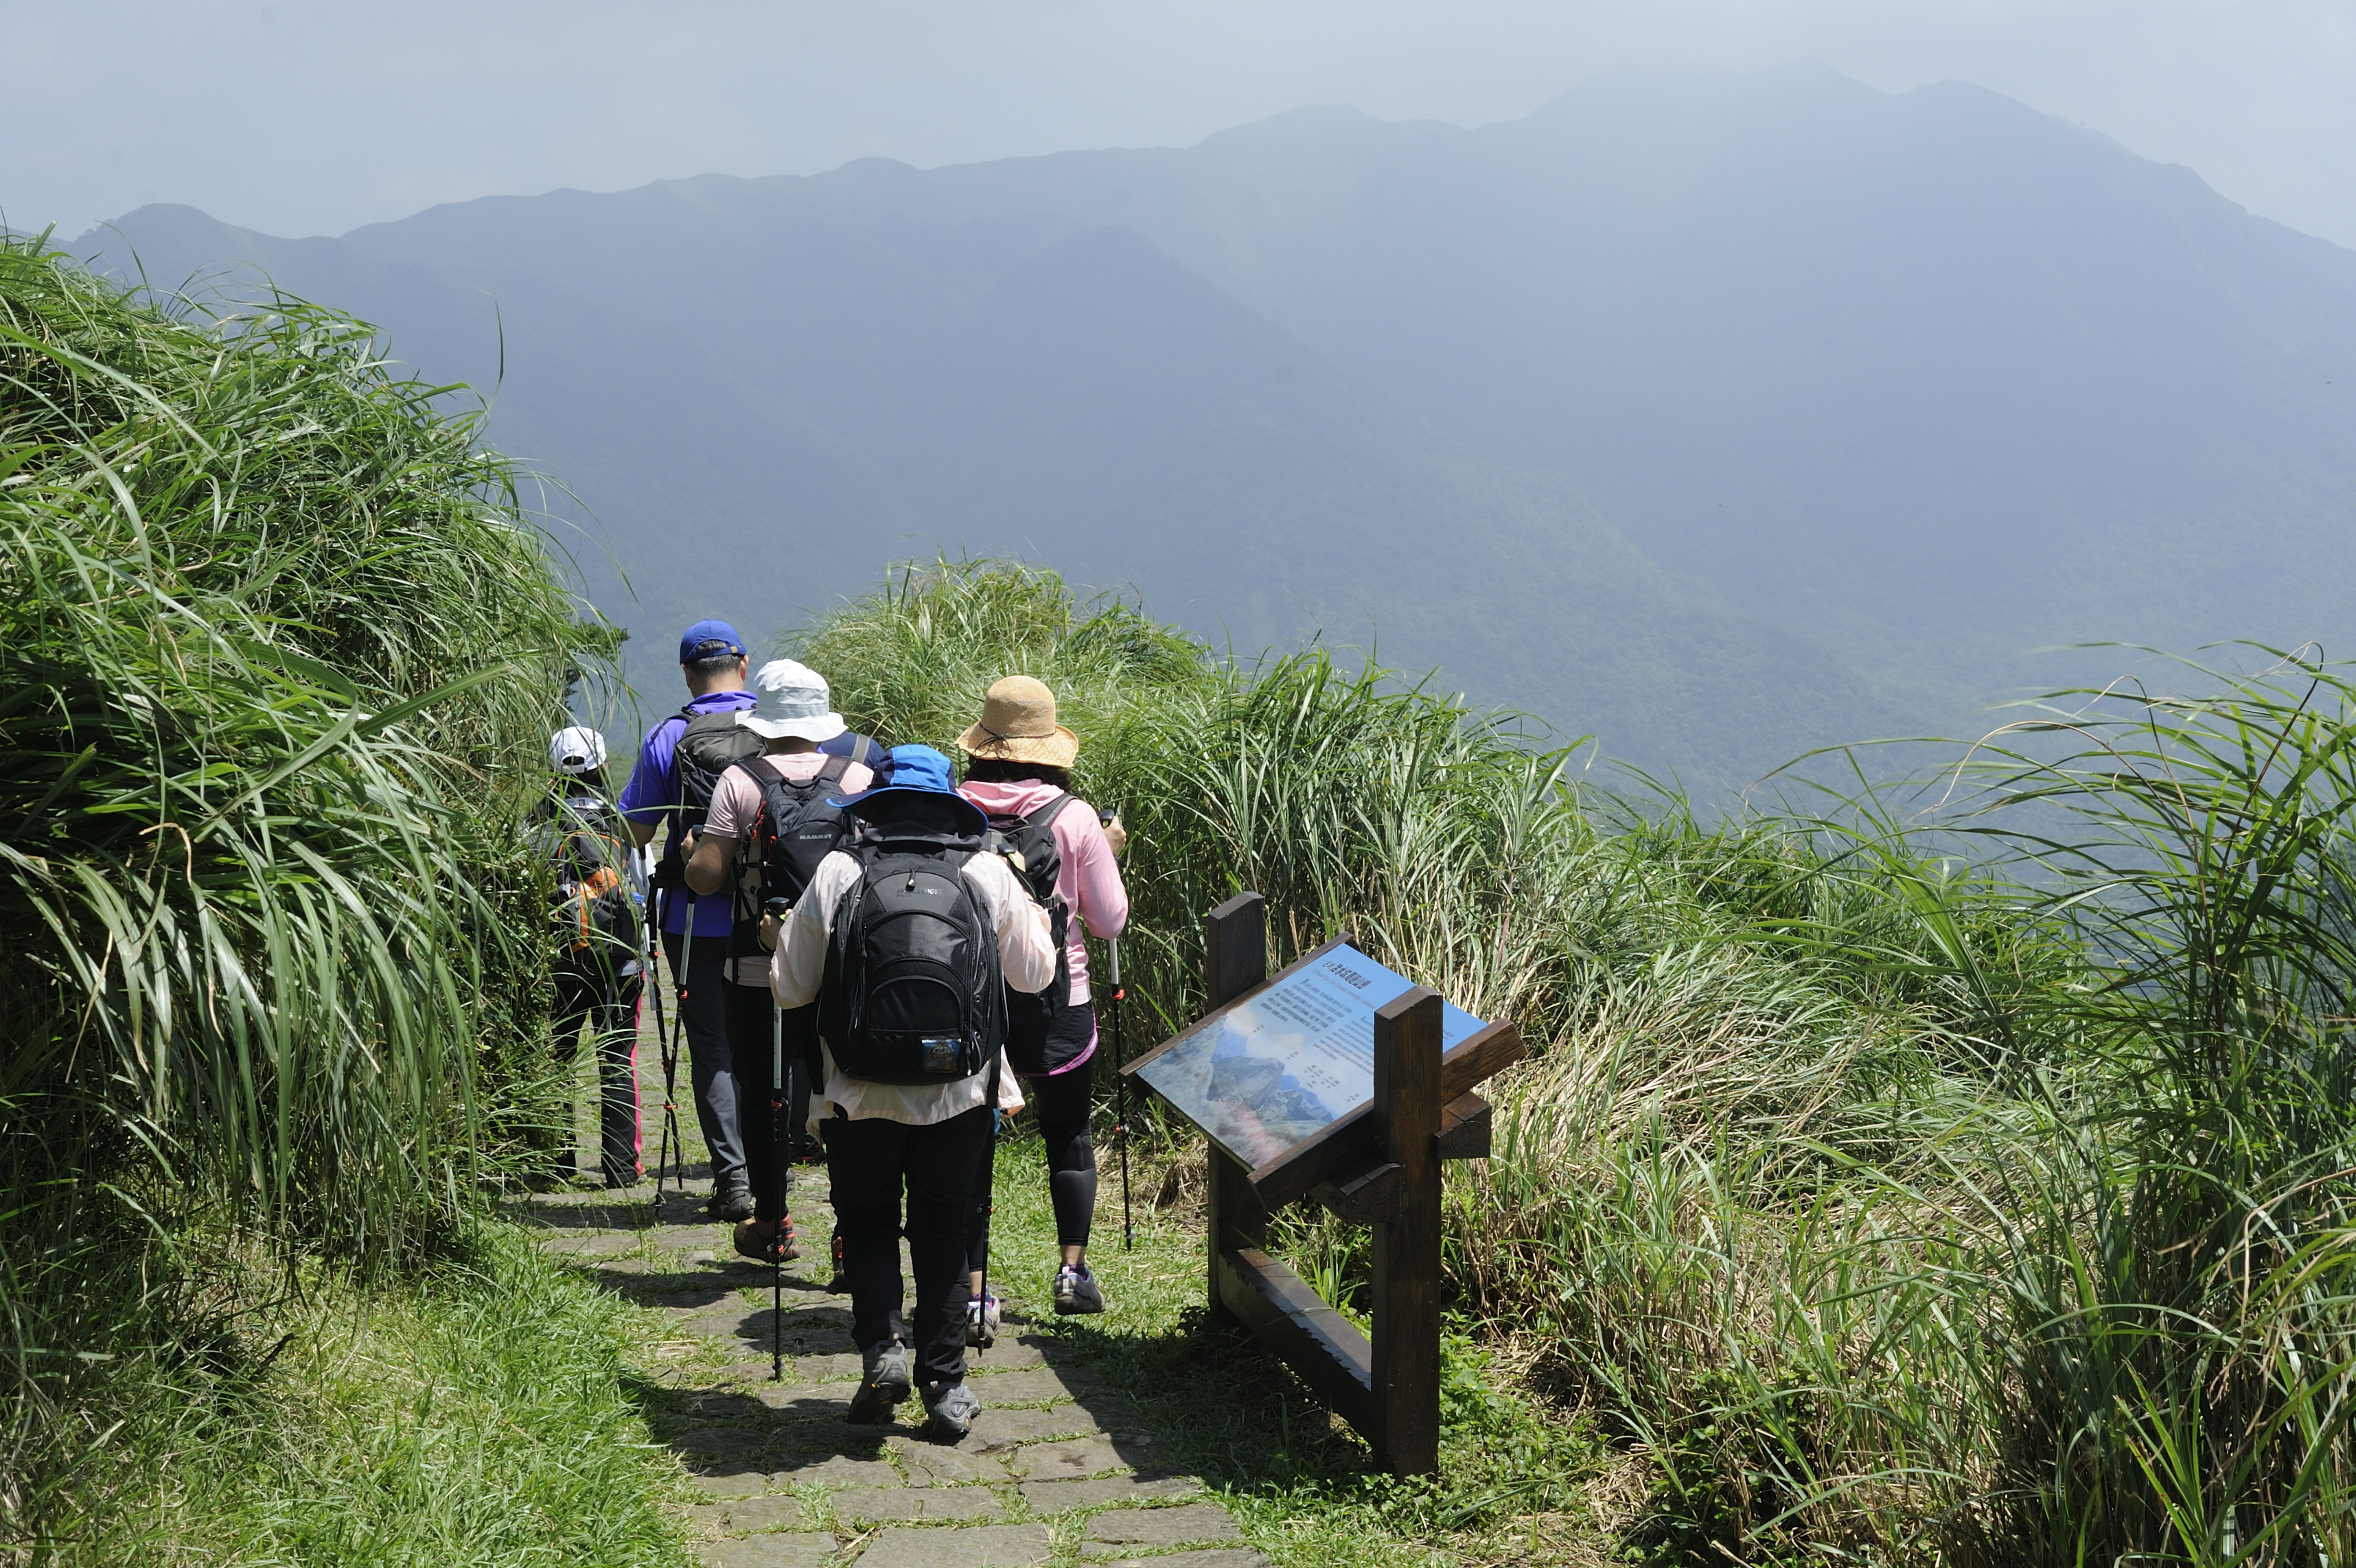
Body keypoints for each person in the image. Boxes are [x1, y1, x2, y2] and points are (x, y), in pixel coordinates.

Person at [766, 744, 1052, 1439]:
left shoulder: (839, 869)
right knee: (946, 1230)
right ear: (949, 806)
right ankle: (947, 1387)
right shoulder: (984, 869)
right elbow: (1036, 976)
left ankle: (882, 1349)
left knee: (865, 1220)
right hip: (959, 1088)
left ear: (875, 805)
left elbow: (789, 986)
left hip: (855, 1089)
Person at [684, 660, 875, 1265]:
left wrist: (694, 855)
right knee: (840, 1094)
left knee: (764, 1092)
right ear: (822, 721)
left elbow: (709, 878)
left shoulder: (740, 781)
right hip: (842, 969)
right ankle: (849, 1236)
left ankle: (772, 1223)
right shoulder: (859, 777)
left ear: (762, 719)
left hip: (758, 966)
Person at [954, 677, 1130, 1333]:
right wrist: (1108, 853)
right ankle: (1071, 1273)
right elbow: (1109, 921)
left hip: (968, 1001)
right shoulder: (1075, 817)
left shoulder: (955, 807)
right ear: (1051, 748)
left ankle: (972, 1294)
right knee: (1069, 1136)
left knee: (969, 1145)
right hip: (1060, 1000)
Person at [619, 619, 760, 1220]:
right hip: (768, 916)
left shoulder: (669, 735)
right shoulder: (775, 732)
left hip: (692, 916)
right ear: (744, 665)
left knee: (712, 1046)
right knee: (772, 1045)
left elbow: (636, 830)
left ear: (686, 672)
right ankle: (782, 1162)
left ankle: (734, 1182)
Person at [533, 726, 647, 1188]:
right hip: (618, 962)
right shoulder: (622, 823)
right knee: (617, 1058)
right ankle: (621, 1169)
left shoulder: (538, 823)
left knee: (557, 1057)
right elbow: (642, 887)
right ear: (601, 767)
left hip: (560, 960)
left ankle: (556, 1164)